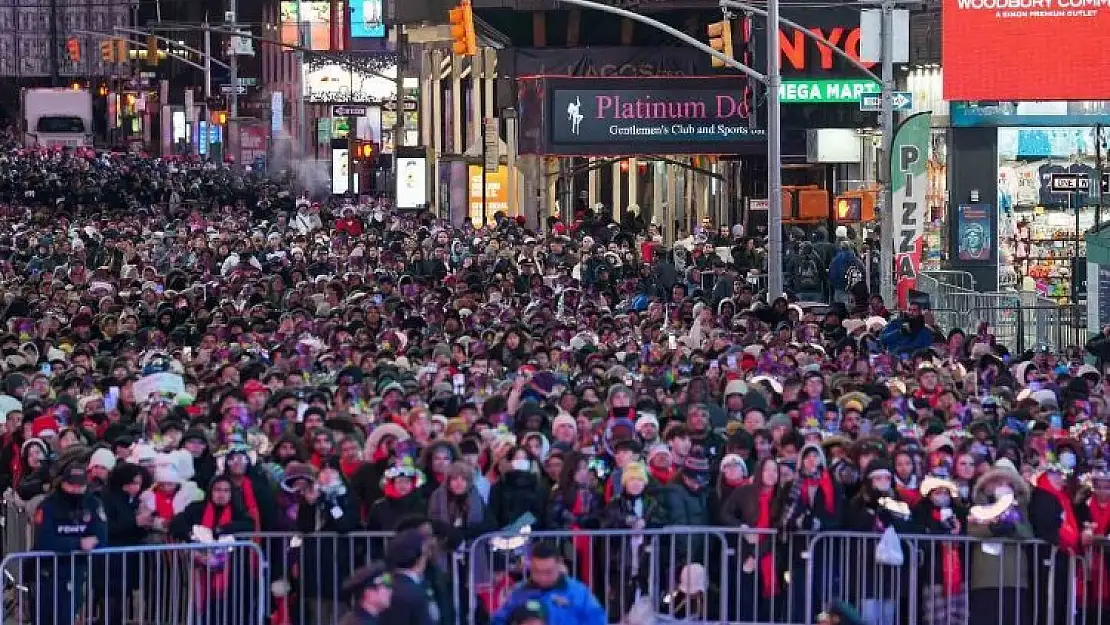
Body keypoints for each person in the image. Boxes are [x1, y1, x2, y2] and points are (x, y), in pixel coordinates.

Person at [32, 462, 108, 625]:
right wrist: (77, 543)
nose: (75, 489)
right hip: (47, 572)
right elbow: (44, 541)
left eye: (79, 486)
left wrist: (88, 543)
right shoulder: (49, 505)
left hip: (77, 571)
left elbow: (100, 537)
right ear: (63, 483)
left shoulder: (93, 504)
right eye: (71, 485)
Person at [491, 541, 606, 625]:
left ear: (559, 564)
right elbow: (498, 620)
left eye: (548, 572)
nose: (542, 577)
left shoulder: (578, 592)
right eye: (536, 571)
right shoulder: (518, 592)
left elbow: (598, 620)